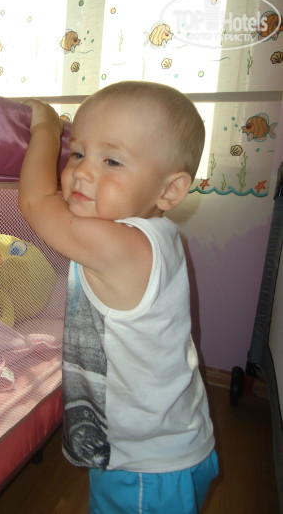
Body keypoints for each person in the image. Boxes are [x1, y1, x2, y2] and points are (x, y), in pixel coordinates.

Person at [19, 81, 218, 514]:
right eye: (77, 153)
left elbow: (36, 202)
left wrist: (46, 129)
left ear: (169, 191)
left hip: (146, 469)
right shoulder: (159, 236)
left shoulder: (119, 247)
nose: (82, 172)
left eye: (111, 161)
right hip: (174, 443)